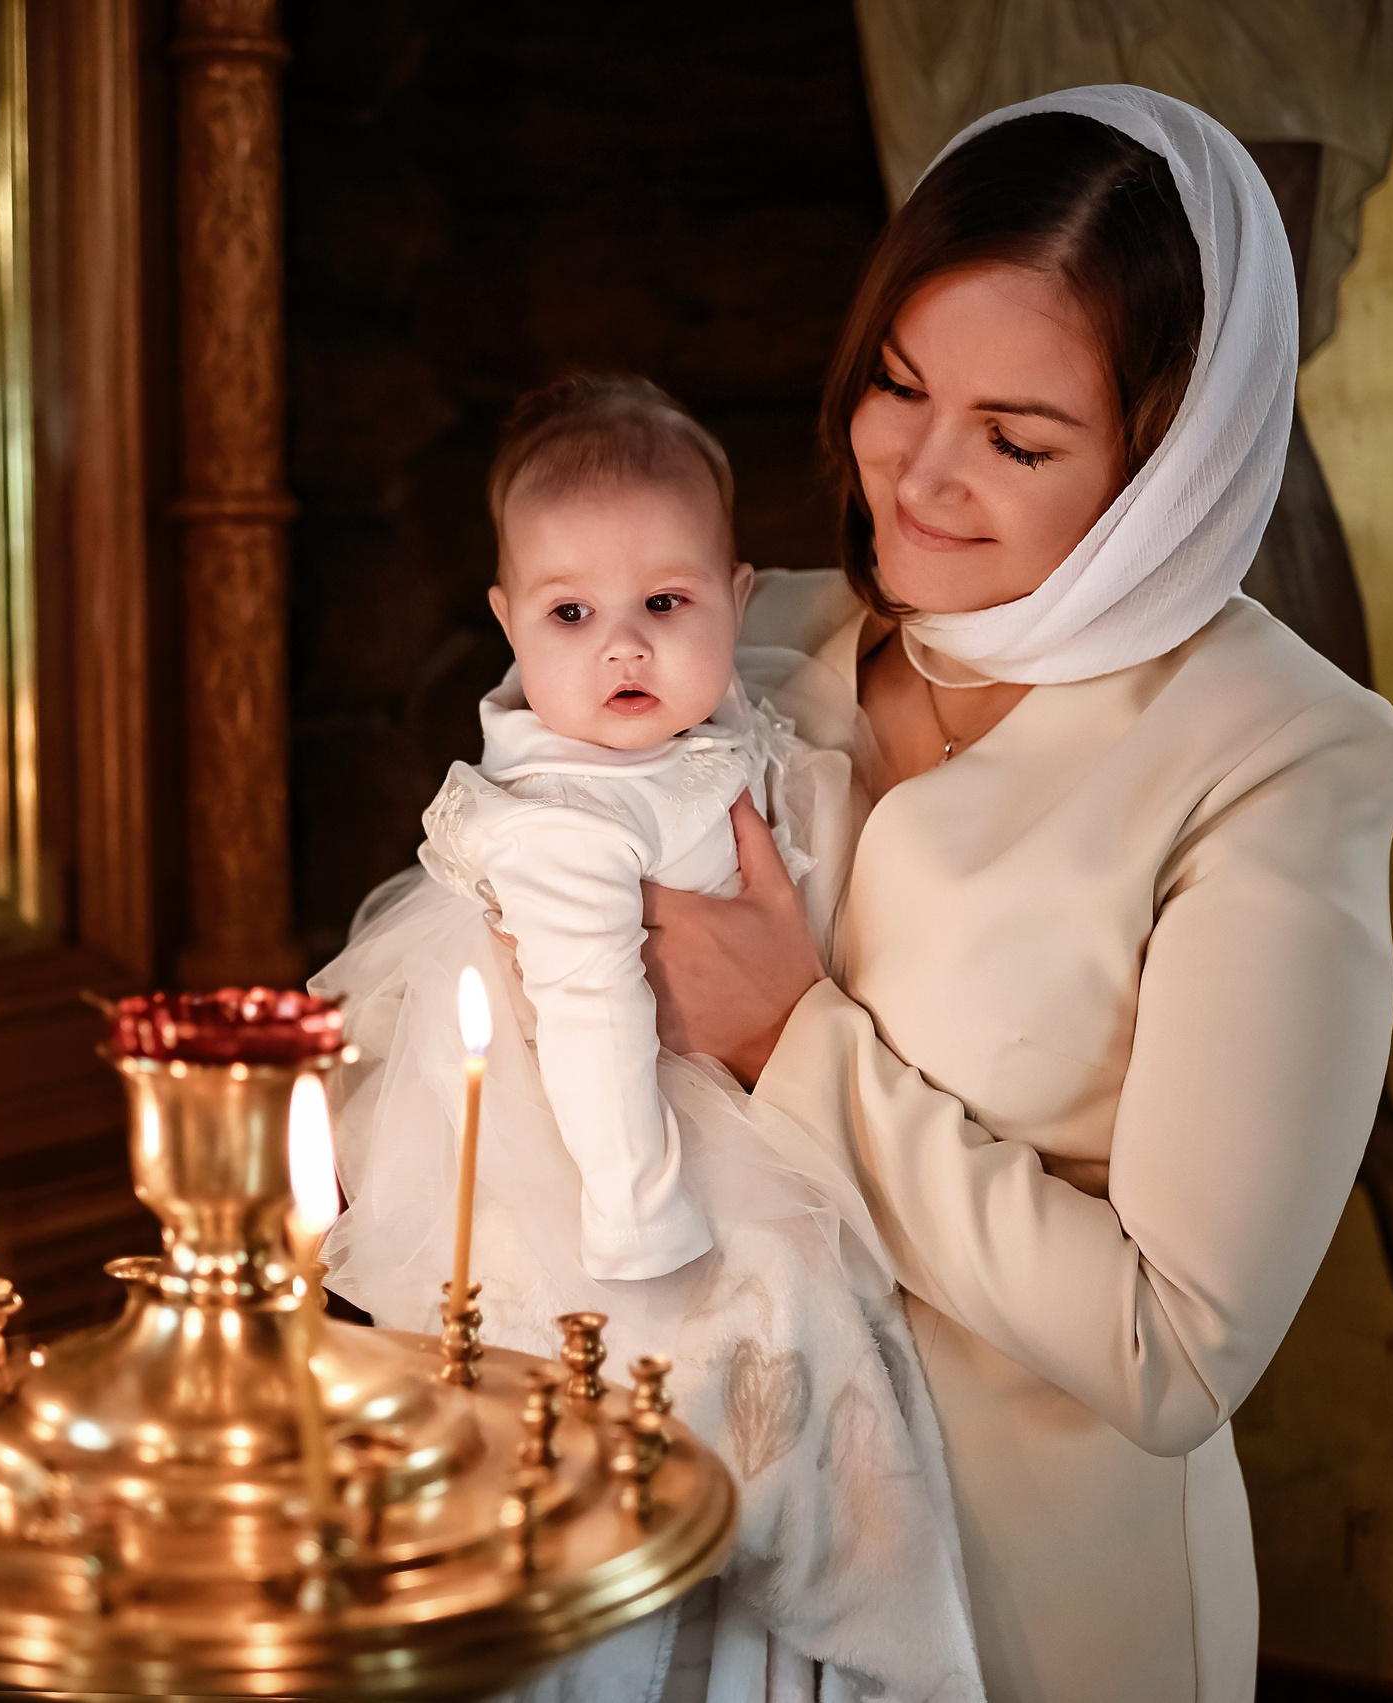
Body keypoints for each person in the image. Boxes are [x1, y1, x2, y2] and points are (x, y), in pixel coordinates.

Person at [636, 87, 1393, 1701]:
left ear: (1166, 457)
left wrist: (799, 1044)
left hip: (1028, 1614)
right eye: (899, 388)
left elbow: (1175, 1342)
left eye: (1020, 438)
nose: (917, 475)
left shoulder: (1274, 752)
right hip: (718, 1568)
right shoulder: (762, 636)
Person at [317, 374, 979, 1702]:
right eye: (572, 615)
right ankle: (819, 1617)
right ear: (508, 624)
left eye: (663, 608)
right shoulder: (571, 818)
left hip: (691, 1093)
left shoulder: (696, 739)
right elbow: (595, 1025)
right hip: (604, 1154)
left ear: (736, 598)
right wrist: (639, 1212)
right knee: (732, 1341)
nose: (623, 649)